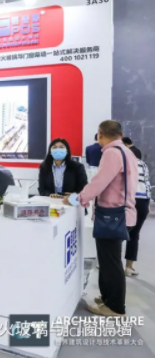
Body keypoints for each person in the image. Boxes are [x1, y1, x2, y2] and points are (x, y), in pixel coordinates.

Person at [64, 120, 138, 316]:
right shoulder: (127, 152)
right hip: (123, 214)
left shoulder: (112, 153)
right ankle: (107, 298)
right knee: (108, 260)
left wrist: (78, 198)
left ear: (100, 135)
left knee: (110, 263)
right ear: (120, 134)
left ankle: (115, 307)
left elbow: (99, 182)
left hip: (113, 216)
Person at [125, 145, 151, 277]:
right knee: (134, 234)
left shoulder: (125, 162)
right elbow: (147, 185)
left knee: (118, 233)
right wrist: (147, 204)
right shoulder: (144, 165)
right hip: (143, 201)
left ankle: (108, 263)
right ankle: (129, 267)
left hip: (128, 200)